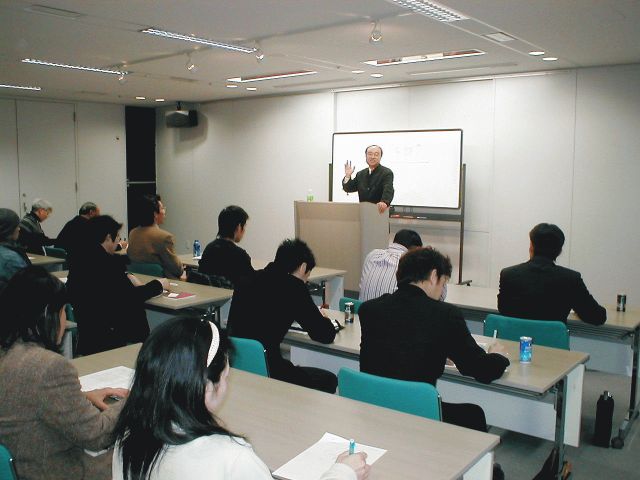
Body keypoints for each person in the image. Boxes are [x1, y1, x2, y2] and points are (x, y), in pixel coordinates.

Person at [112, 316, 370, 480]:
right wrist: (343, 473)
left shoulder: (129, 437)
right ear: (207, 386)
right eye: (226, 375)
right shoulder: (231, 458)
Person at [359, 247, 510, 432]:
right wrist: (498, 356)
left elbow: (397, 350)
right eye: (443, 282)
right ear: (433, 276)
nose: (441, 291)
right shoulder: (445, 314)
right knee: (473, 415)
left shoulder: (369, 309)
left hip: (374, 407)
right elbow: (480, 369)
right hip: (417, 413)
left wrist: (438, 351)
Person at [0, 266, 128, 480]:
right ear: (47, 315)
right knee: (144, 454)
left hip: (18, 465)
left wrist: (83, 396)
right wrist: (132, 400)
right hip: (52, 470)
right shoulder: (48, 367)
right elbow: (97, 435)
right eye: (62, 311)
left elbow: (20, 397)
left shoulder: (9, 353)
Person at [227, 238, 339, 393]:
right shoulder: (294, 287)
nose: (305, 282)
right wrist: (324, 318)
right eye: (307, 277)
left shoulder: (246, 279)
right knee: (329, 379)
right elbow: (324, 334)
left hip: (238, 367)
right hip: (270, 370)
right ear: (303, 267)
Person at [67, 215, 168, 355]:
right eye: (118, 237)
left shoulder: (79, 260)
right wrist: (158, 285)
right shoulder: (108, 264)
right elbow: (130, 297)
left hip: (89, 334)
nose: (118, 241)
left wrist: (126, 275)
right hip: (113, 337)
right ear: (108, 237)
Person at [498, 223, 606, 325]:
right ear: (559, 251)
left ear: (531, 246)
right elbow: (597, 317)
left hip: (515, 338)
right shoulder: (571, 279)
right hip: (551, 339)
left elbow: (503, 309)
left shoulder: (508, 275)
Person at [359, 229, 446, 302]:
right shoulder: (410, 264)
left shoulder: (372, 255)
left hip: (363, 315)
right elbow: (440, 296)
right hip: (394, 315)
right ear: (416, 249)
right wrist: (429, 257)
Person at [128, 194, 184, 279]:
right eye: (162, 208)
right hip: (162, 282)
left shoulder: (133, 233)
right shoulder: (164, 237)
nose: (164, 211)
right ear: (155, 214)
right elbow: (177, 270)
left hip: (138, 280)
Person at [198, 205, 255, 287]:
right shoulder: (240, 255)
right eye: (244, 226)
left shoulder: (209, 249)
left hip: (207, 294)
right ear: (239, 227)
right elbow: (252, 283)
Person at [342, 145, 394, 214]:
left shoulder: (386, 172)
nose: (372, 157)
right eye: (370, 154)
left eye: (376, 154)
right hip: (363, 212)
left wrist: (384, 202)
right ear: (366, 156)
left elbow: (388, 189)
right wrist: (348, 176)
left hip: (379, 212)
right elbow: (348, 188)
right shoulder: (360, 174)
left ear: (380, 157)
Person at [0, 208, 31, 292]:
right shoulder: (11, 259)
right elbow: (29, 287)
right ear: (8, 229)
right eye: (17, 226)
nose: (19, 229)